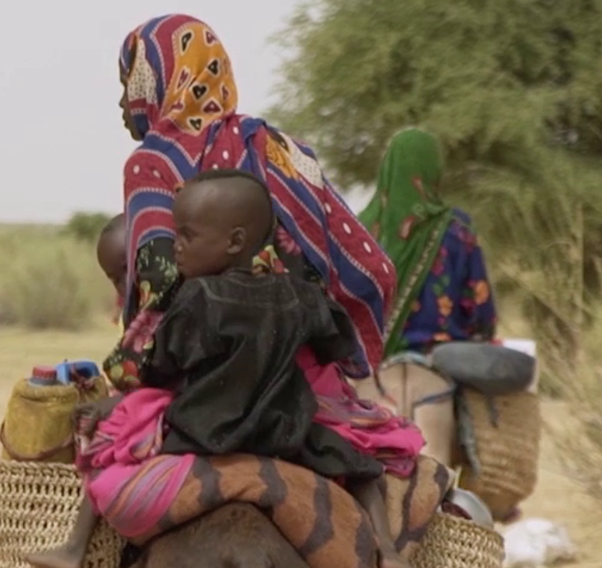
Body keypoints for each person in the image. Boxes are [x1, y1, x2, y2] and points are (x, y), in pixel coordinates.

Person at [26, 170, 428, 568]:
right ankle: (388, 550)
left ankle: (74, 549)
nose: (175, 246)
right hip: (285, 433)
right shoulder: (298, 294)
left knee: (107, 453)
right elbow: (337, 343)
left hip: (198, 432)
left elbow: (162, 371)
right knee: (363, 468)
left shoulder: (196, 297)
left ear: (235, 242)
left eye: (187, 235)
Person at [104, 13, 398, 393]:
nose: (123, 102)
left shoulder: (152, 162)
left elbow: (158, 287)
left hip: (208, 380)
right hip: (305, 374)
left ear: (154, 80)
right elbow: (373, 268)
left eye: (129, 84)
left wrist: (129, 373)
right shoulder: (277, 146)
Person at [358, 127, 497, 354]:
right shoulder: (457, 228)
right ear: (435, 170)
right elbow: (480, 310)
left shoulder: (361, 231)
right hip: (442, 357)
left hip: (370, 362)